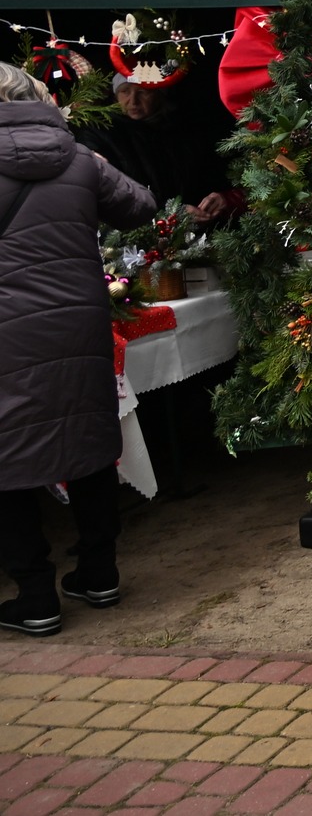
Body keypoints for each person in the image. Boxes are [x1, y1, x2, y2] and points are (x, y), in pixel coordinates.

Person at [0, 62, 155, 637]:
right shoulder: (79, 158)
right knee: (88, 438)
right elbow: (140, 206)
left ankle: (36, 596)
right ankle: (99, 572)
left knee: (9, 455)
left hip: (7, 332)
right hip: (79, 323)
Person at [80, 71, 236, 226]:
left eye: (143, 91)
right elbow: (110, 191)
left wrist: (212, 204)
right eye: (125, 91)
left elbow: (207, 175)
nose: (133, 101)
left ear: (158, 94)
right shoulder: (101, 132)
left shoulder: (185, 128)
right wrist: (168, 213)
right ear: (115, 95)